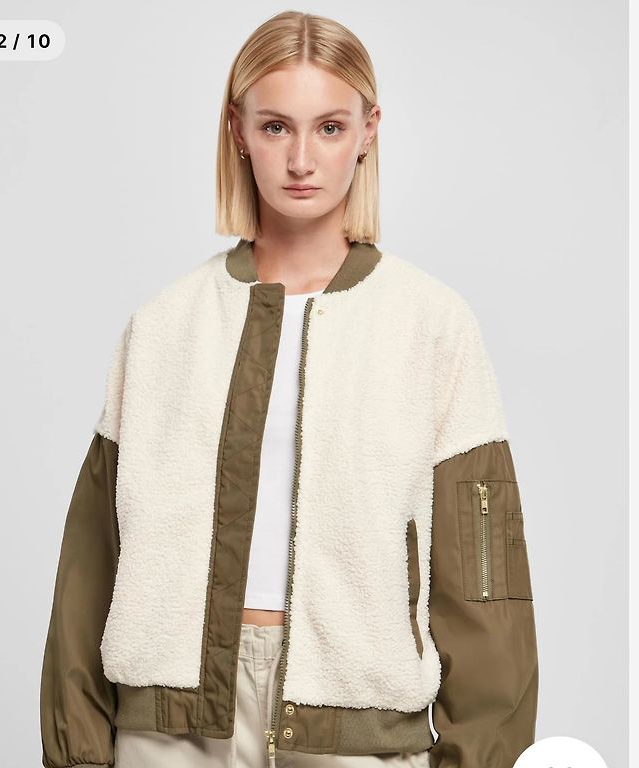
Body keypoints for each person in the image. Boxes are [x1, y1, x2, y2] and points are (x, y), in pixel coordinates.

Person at [39, 10, 539, 768]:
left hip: (357, 728)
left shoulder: (431, 325)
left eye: (329, 128)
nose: (302, 159)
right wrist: (78, 750)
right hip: (170, 731)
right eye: (276, 127)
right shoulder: (165, 325)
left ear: (368, 131)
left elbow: (483, 579)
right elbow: (91, 563)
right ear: (237, 130)